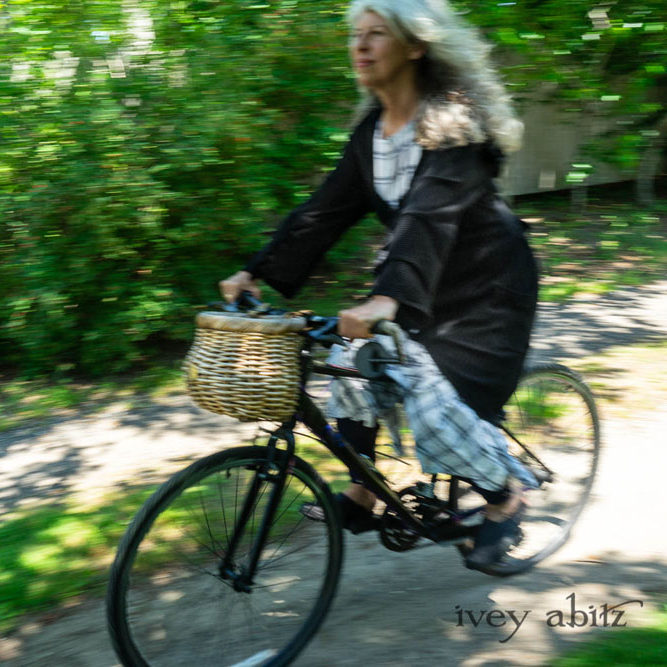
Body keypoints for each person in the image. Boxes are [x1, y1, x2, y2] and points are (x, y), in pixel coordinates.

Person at [218, 0, 540, 571]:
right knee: (348, 361)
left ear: (416, 45)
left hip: (489, 291)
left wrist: (387, 297)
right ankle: (365, 492)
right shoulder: (372, 132)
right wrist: (257, 271)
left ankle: (505, 497)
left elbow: (428, 218)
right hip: (424, 282)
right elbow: (324, 210)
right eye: (355, 35)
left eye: (376, 34)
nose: (360, 46)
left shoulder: (454, 123)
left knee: (433, 410)